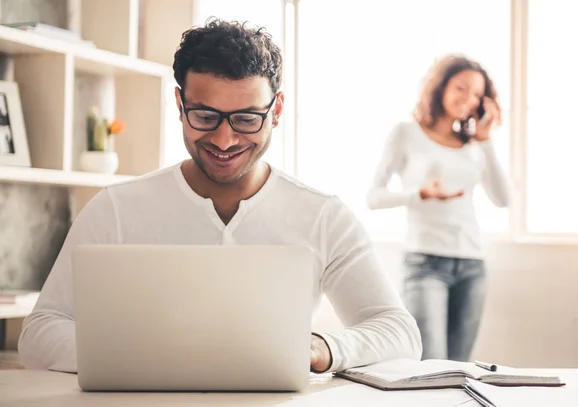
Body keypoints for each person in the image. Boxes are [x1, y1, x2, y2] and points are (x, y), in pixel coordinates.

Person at [18, 19, 422, 374]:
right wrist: (141, 354)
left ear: (276, 111)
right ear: (179, 104)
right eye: (205, 117)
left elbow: (398, 332)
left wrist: (319, 348)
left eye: (247, 119)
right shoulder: (116, 209)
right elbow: (40, 333)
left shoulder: (322, 216)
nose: (225, 140)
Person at [366, 55, 510, 361]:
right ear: (441, 87)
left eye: (476, 94)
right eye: (461, 88)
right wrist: (419, 193)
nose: (468, 99)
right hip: (425, 263)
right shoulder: (406, 133)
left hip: (472, 265)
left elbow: (503, 198)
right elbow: (374, 197)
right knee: (431, 366)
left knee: (459, 369)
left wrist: (486, 140)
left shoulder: (474, 145)